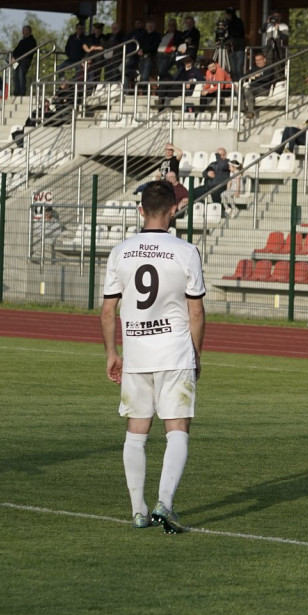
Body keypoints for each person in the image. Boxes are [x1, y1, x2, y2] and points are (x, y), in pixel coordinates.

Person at [100, 180, 206, 532]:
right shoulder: (186, 251)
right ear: (174, 210)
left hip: (137, 354)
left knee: (136, 432)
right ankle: (165, 502)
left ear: (140, 210)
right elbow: (196, 314)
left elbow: (107, 310)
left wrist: (112, 353)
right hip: (175, 353)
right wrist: (197, 354)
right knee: (177, 429)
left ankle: (137, 510)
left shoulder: (121, 252)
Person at [241, 52, 278, 119]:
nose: (258, 62)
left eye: (259, 60)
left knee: (247, 90)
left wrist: (254, 77)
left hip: (263, 89)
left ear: (264, 60)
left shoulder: (269, 68)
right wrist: (254, 76)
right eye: (256, 60)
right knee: (240, 90)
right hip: (252, 88)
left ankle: (250, 112)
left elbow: (266, 78)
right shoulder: (254, 69)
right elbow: (244, 76)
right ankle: (242, 110)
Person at [11, 25, 37, 96]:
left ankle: (22, 92)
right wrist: (13, 57)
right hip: (17, 60)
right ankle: (16, 91)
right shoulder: (22, 41)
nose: (23, 32)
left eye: (24, 30)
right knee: (15, 75)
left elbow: (30, 52)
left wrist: (23, 57)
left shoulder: (32, 41)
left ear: (28, 31)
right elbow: (15, 51)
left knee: (21, 73)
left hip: (25, 60)